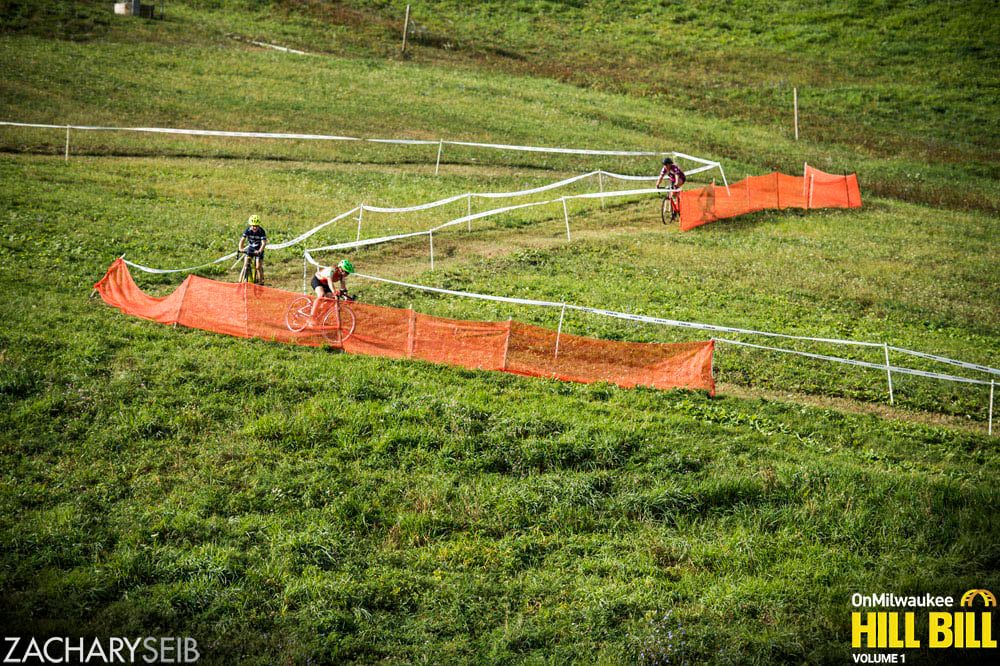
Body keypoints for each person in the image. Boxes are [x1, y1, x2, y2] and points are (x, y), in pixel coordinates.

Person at [238, 214, 268, 283]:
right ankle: (239, 281)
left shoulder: (261, 231)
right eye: (253, 226)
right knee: (245, 265)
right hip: (251, 248)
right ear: (250, 225)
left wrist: (260, 250)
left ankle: (261, 282)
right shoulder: (248, 230)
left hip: (259, 249)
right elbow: (242, 240)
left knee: (258, 266)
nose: (255, 227)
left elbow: (263, 243)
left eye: (256, 226)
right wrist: (240, 248)